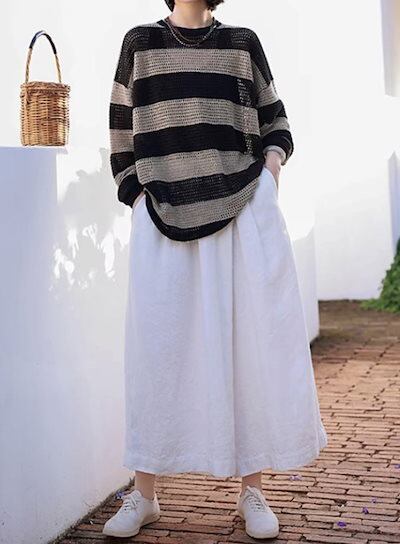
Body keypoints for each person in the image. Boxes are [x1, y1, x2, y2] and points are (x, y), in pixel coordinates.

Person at [104, 0, 328, 539]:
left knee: (248, 349)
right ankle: (144, 495)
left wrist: (270, 176)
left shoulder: (242, 43)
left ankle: (252, 491)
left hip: (242, 209)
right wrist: (136, 196)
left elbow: (276, 121)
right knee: (157, 354)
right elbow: (121, 131)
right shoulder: (140, 44)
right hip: (162, 216)